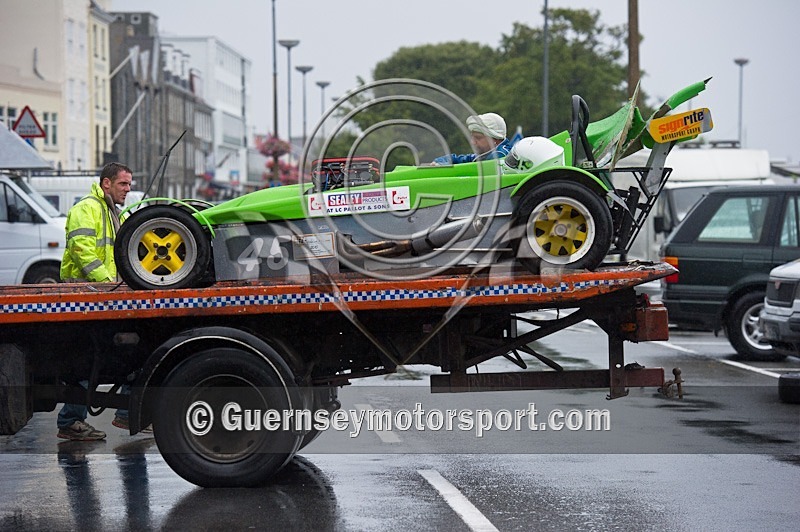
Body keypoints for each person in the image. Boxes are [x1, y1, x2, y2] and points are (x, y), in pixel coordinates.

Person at [56, 162, 133, 441]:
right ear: (106, 184)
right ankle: (71, 421)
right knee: (87, 360)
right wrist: (108, 284)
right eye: (123, 184)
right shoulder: (86, 208)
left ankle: (127, 414)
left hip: (101, 294)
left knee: (121, 355)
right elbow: (82, 251)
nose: (128, 189)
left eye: (129, 184)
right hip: (84, 295)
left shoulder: (113, 212)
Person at [432, 112, 513, 165]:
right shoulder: (486, 154)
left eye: (478, 138)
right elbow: (461, 159)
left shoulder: (501, 156)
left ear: (495, 139)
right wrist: (439, 162)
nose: (473, 142)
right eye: (472, 137)